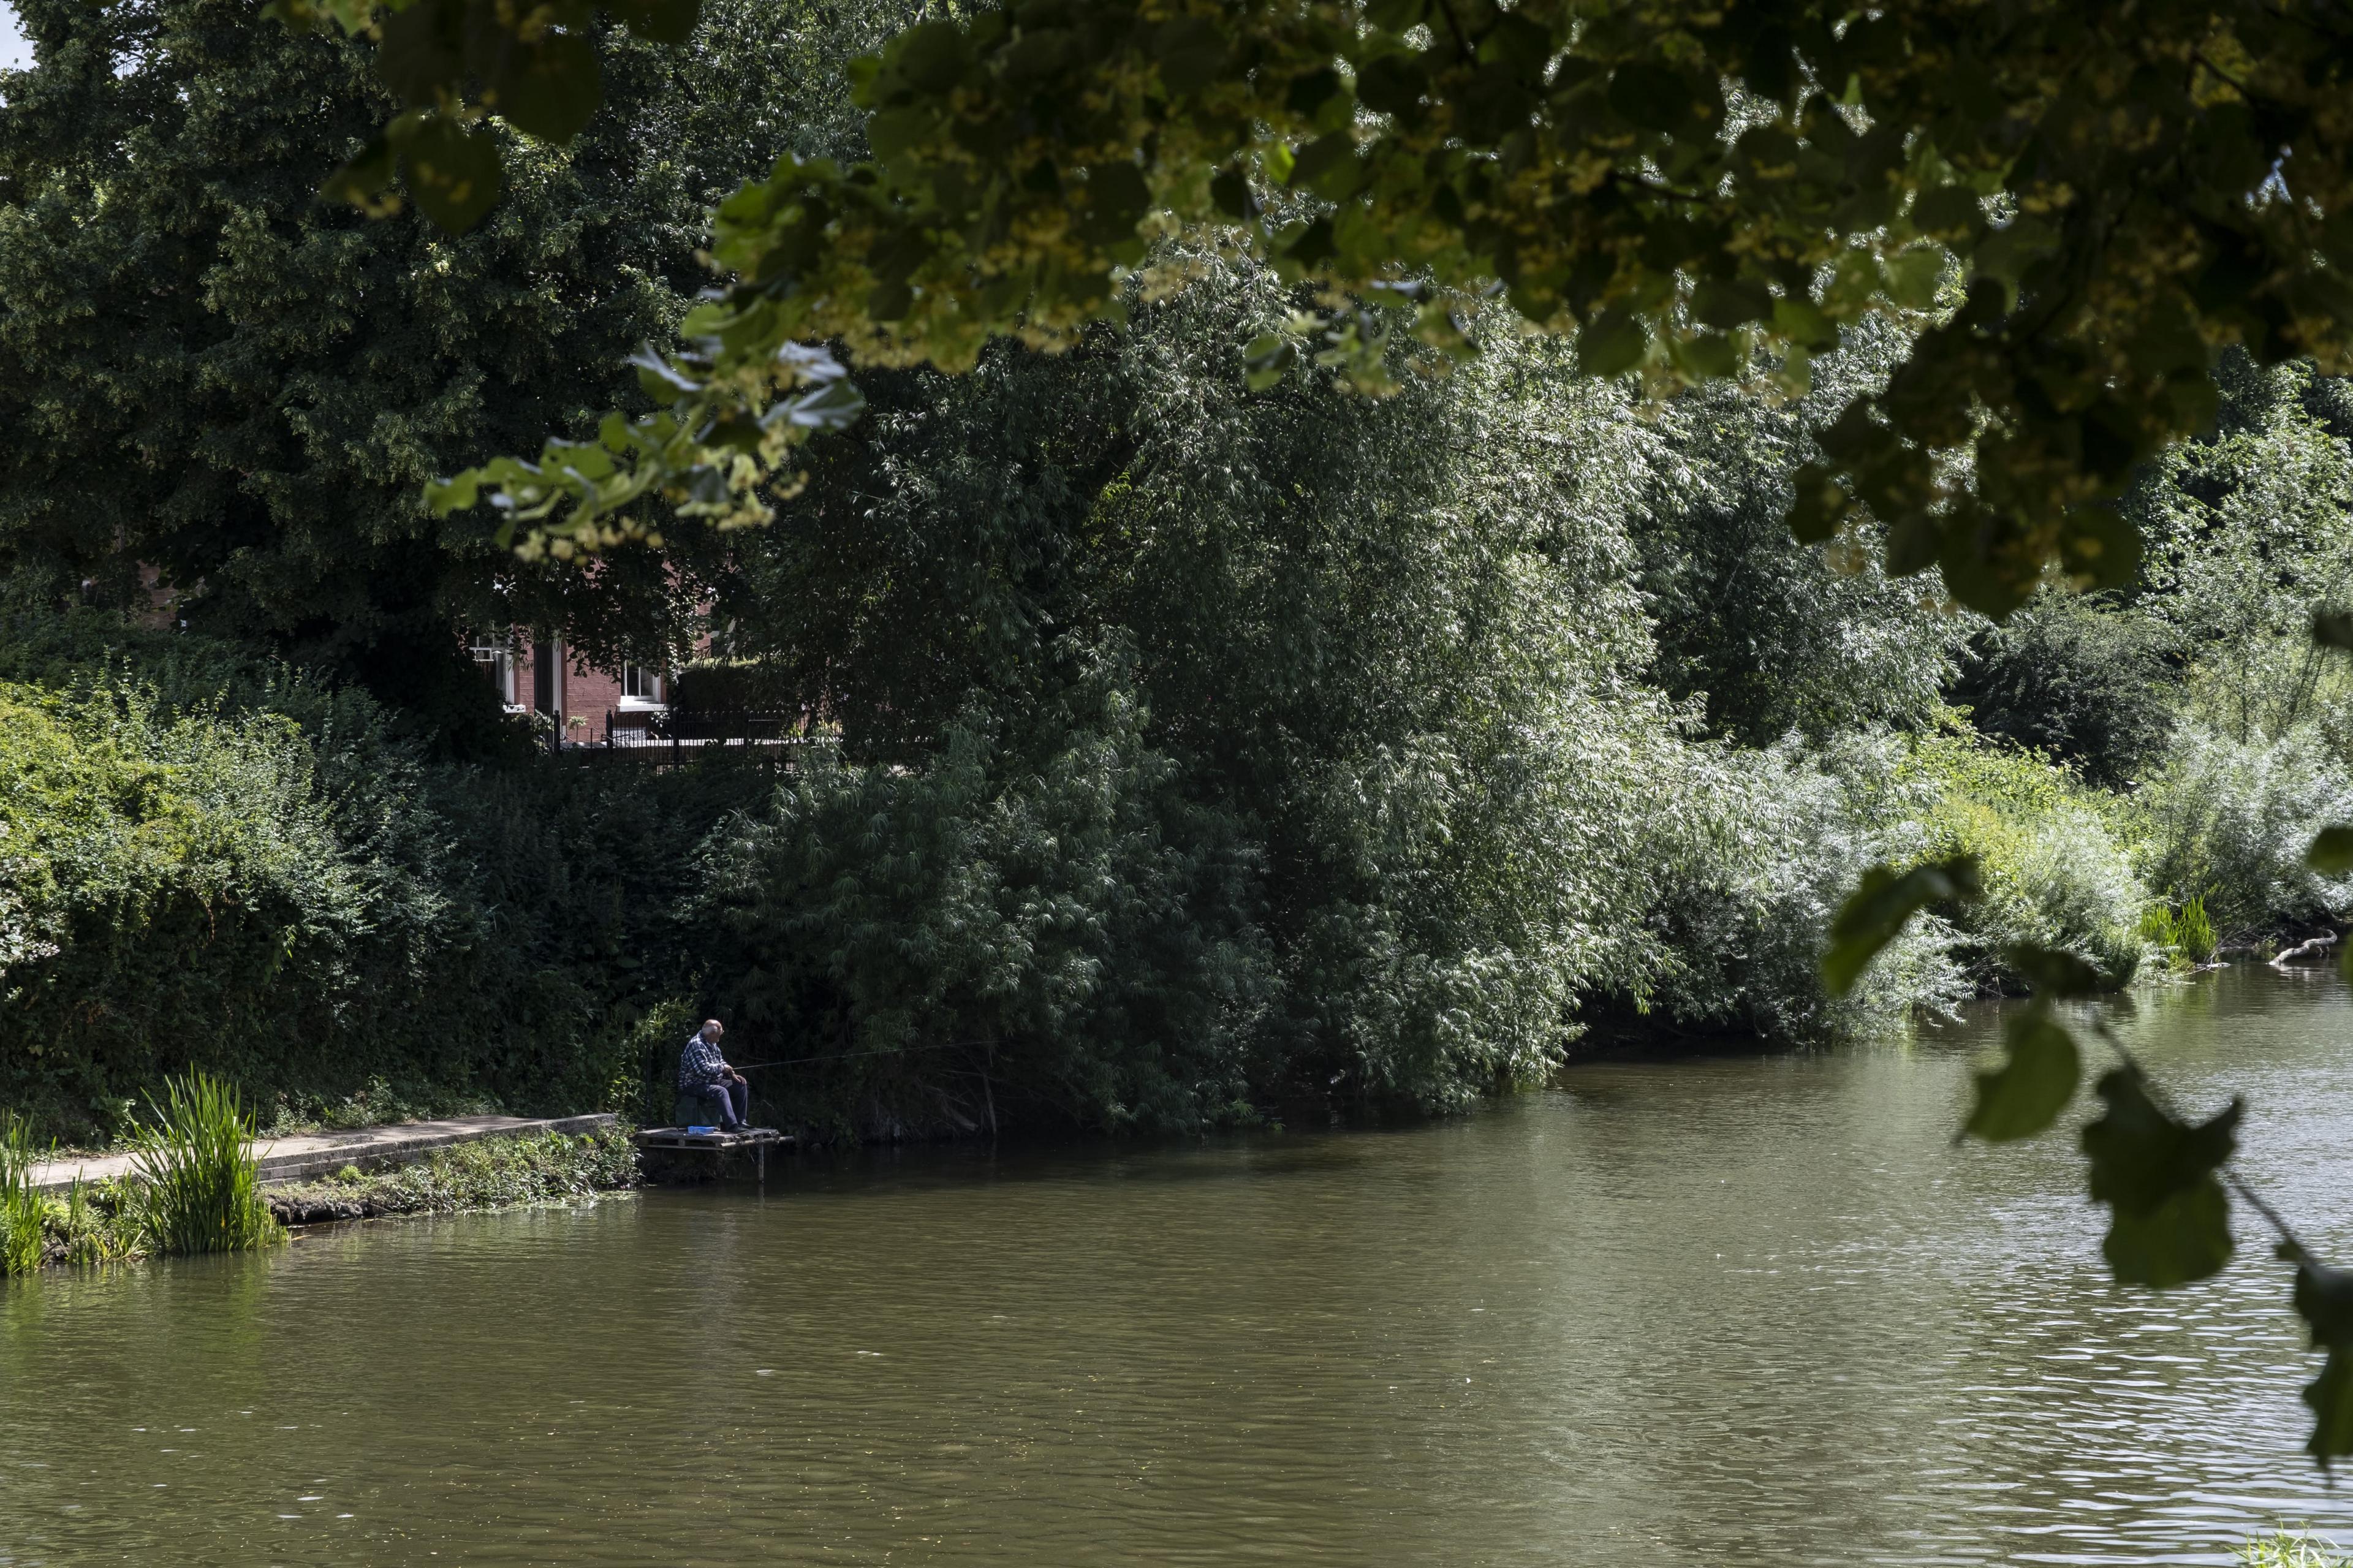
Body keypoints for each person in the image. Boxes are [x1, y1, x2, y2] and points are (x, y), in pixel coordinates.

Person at [676, 1018, 749, 1131]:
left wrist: (731, 1074)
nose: (720, 1038)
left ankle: (741, 1122)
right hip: (692, 1085)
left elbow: (720, 1061)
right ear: (712, 1034)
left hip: (710, 1082)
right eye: (720, 1034)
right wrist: (722, 1068)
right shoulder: (697, 1045)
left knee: (740, 1085)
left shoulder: (712, 1043)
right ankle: (732, 1126)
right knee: (720, 1091)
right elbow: (702, 1070)